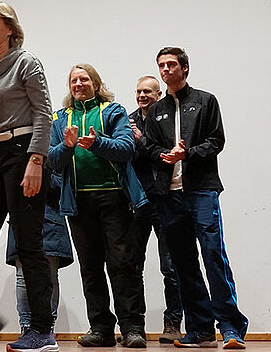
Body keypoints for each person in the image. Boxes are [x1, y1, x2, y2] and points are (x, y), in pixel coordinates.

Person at [143, 47, 247, 349]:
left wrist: (188, 153)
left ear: (185, 69)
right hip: (169, 196)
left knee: (214, 255)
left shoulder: (205, 101)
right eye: (161, 65)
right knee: (183, 264)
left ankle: (231, 327)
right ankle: (200, 330)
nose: (165, 70)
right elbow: (148, 148)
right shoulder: (158, 109)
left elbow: (216, 140)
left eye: (171, 65)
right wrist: (163, 155)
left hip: (201, 190)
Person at [0, 1, 58, 352]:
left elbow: (44, 112)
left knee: (28, 243)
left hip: (24, 151)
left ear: (9, 28)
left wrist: (36, 160)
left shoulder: (27, 62)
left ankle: (42, 331)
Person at [48, 64, 148, 348]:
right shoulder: (60, 118)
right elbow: (53, 160)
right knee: (90, 268)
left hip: (114, 199)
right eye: (73, 80)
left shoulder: (113, 111)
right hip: (78, 203)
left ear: (95, 83)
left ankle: (132, 329)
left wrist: (96, 143)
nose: (78, 84)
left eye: (84, 79)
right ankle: (101, 328)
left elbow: (126, 148)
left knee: (123, 265)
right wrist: (67, 147)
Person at [128, 76, 184, 343]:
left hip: (166, 199)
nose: (142, 95)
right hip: (137, 202)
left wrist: (143, 142)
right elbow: (124, 156)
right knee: (132, 265)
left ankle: (173, 324)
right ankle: (134, 327)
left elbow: (166, 157)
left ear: (158, 93)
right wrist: (137, 143)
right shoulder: (126, 121)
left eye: (147, 91)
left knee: (171, 267)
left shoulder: (169, 119)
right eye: (138, 91)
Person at [4, 171, 73, 335]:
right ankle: (26, 326)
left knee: (49, 275)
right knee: (22, 276)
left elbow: (60, 184)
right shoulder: (13, 151)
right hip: (21, 217)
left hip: (50, 219)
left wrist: (36, 174)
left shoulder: (54, 149)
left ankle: (47, 327)